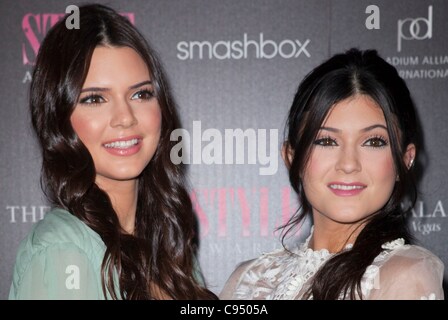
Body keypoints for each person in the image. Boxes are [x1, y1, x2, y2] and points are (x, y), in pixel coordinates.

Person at [9, 4, 217, 300]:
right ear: (58, 117)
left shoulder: (169, 249)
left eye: (140, 94)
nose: (126, 117)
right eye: (95, 99)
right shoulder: (64, 252)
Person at [220, 48, 444, 300]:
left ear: (406, 159)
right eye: (326, 141)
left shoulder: (405, 274)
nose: (348, 164)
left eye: (373, 142)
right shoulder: (247, 279)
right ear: (292, 157)